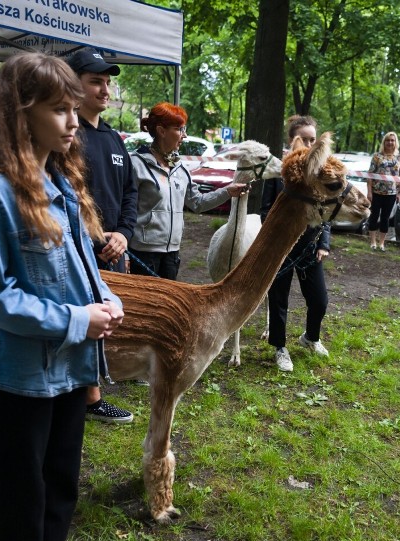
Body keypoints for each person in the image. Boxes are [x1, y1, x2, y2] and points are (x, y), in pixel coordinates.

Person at [0, 53, 124, 541]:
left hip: (69, 371)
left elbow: (77, 266)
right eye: (59, 110)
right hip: (17, 381)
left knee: (58, 493)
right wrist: (75, 320)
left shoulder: (63, 187)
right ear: (21, 113)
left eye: (74, 108)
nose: (74, 121)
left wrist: (105, 301)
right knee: (17, 508)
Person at [66, 48, 136, 424]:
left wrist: (123, 234)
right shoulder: (65, 136)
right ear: (73, 84)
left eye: (107, 82)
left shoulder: (114, 138)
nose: (105, 90)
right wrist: (96, 238)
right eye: (96, 81)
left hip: (115, 251)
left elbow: (130, 193)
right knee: (83, 322)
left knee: (107, 321)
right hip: (80, 252)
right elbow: (68, 197)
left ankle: (94, 387)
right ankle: (90, 399)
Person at [128, 102, 246, 279]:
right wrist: (124, 252)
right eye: (179, 129)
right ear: (161, 131)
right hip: (143, 254)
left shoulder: (179, 168)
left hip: (172, 254)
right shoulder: (136, 164)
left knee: (167, 306)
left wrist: (228, 191)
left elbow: (197, 203)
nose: (185, 135)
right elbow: (125, 209)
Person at [260, 115, 331, 372]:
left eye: (314, 139)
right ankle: (280, 347)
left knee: (319, 300)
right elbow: (265, 210)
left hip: (311, 248)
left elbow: (327, 210)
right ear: (292, 140)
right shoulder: (278, 171)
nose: (310, 144)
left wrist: (324, 242)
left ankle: (311, 337)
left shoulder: (321, 171)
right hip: (282, 249)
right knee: (278, 300)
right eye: (305, 139)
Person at [367, 131, 400, 251]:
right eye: (388, 140)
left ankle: (382, 243)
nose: (390, 142)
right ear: (384, 142)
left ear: (395, 142)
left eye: (392, 140)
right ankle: (373, 241)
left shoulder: (399, 157)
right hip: (377, 192)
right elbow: (370, 175)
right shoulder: (377, 156)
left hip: (391, 193)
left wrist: (399, 192)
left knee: (385, 218)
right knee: (374, 216)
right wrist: (369, 192)